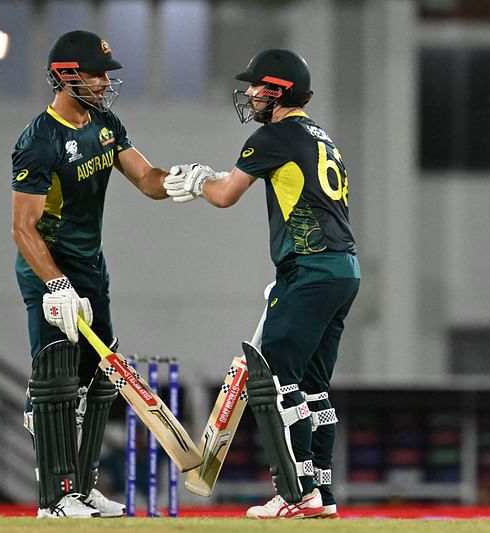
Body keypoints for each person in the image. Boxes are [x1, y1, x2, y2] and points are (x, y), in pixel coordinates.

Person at [165, 49, 360, 519]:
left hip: (311, 271)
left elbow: (227, 195)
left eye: (257, 87)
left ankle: (298, 494)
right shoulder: (321, 136)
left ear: (278, 90)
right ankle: (322, 495)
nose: (250, 94)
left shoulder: (273, 136)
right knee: (315, 388)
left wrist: (196, 181)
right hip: (341, 269)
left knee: (274, 378)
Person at [10, 30, 193, 519]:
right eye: (95, 73)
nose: (104, 81)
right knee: (56, 382)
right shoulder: (38, 142)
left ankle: (83, 489)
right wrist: (55, 284)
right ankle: (55, 498)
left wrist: (183, 181)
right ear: (67, 76)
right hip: (50, 271)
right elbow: (22, 228)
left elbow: (148, 180)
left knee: (100, 380)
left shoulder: (106, 124)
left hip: (91, 268)